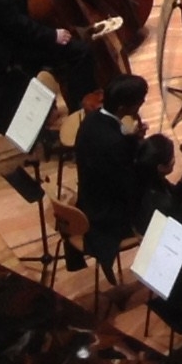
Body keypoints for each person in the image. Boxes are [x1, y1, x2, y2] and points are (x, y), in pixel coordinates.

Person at [72, 74, 151, 267]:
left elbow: (109, 152)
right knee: (160, 205)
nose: (142, 104)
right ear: (122, 108)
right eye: (139, 102)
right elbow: (126, 185)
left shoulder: (91, 119)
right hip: (106, 215)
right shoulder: (113, 143)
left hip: (89, 198)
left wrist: (133, 140)